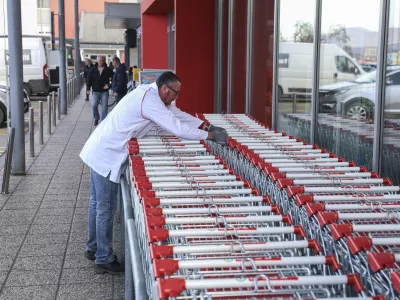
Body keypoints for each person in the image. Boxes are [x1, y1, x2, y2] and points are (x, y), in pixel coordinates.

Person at [79, 71, 228, 275]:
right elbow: (176, 127)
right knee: (104, 207)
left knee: (96, 204)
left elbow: (177, 114)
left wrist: (205, 124)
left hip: (100, 148)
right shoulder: (150, 101)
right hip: (106, 153)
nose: (176, 98)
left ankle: (93, 247)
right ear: (165, 89)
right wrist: (209, 136)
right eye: (175, 93)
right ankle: (103, 257)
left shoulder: (151, 95)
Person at [86, 55, 113, 126]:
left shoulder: (108, 70)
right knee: (94, 105)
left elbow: (113, 79)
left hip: (104, 91)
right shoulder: (93, 69)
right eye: (99, 60)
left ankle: (103, 122)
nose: (100, 62)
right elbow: (89, 79)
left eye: (102, 60)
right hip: (95, 91)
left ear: (104, 61)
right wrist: (88, 88)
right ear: (97, 61)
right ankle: (96, 118)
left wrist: (109, 86)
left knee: (104, 107)